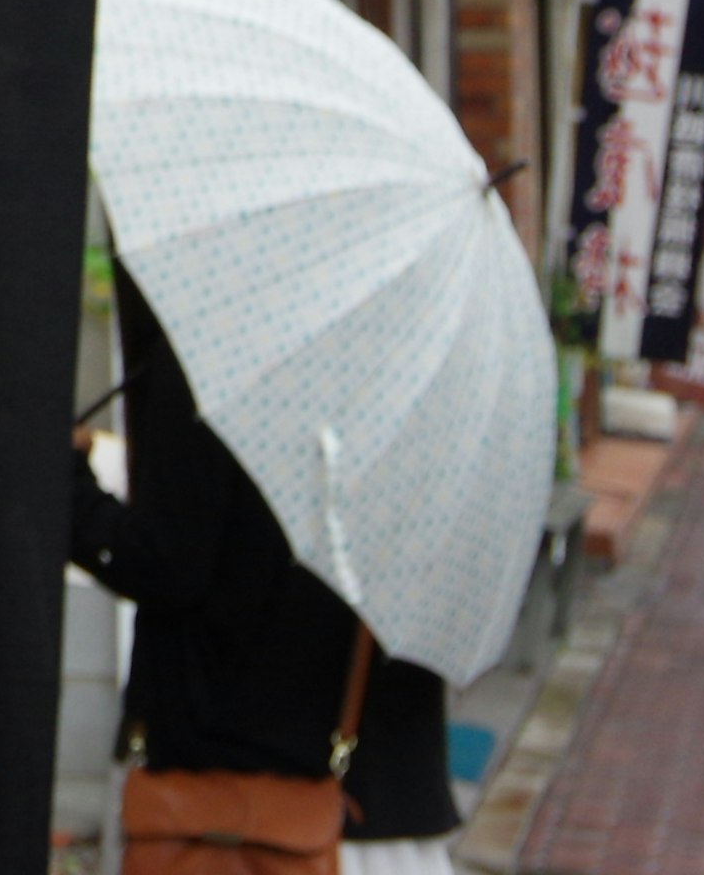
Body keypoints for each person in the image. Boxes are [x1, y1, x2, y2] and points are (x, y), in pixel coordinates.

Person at [68, 274, 460, 874]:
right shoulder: (421, 354)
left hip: (221, 804)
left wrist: (69, 492)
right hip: (382, 795)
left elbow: (169, 562)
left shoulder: (222, 348)